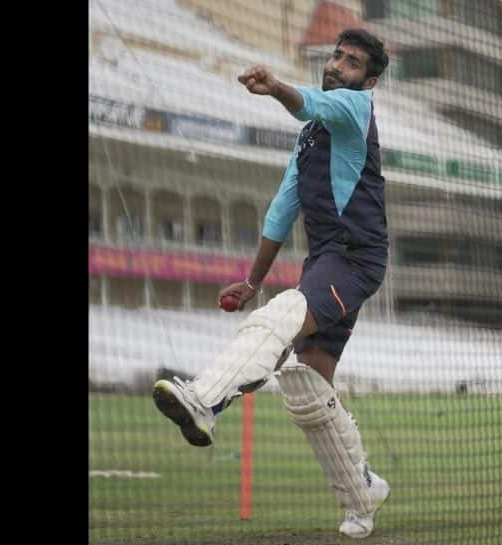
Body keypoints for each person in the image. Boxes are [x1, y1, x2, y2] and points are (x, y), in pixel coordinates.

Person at [152, 28, 391, 539]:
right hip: (328, 259)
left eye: (350, 63)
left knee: (284, 316)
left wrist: (277, 86)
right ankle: (362, 494)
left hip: (356, 258)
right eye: (336, 56)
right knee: (309, 388)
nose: (337, 65)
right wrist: (252, 280)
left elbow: (306, 103)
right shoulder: (309, 137)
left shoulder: (354, 108)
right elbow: (284, 206)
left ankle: (206, 400)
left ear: (367, 81)